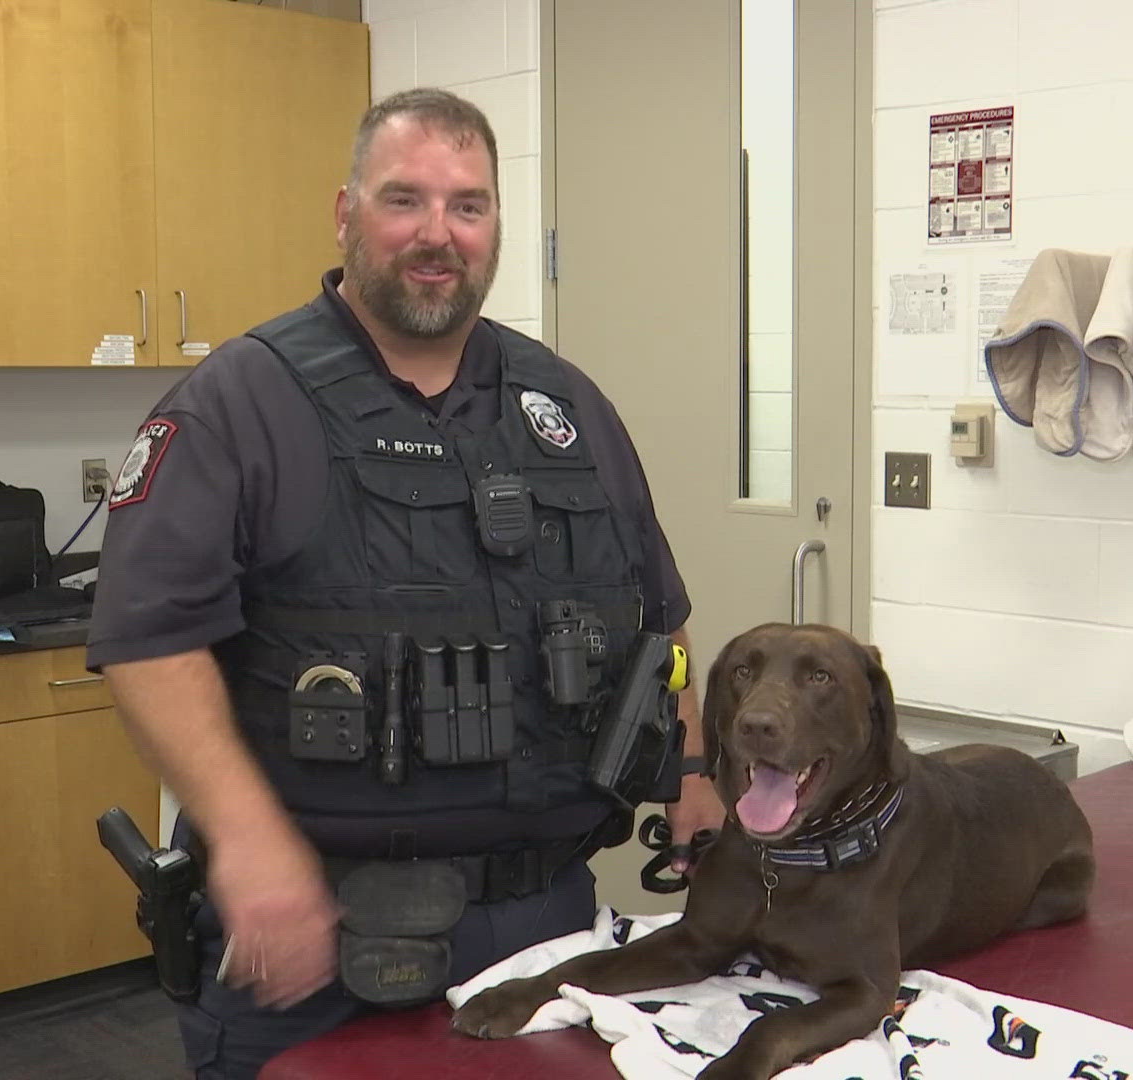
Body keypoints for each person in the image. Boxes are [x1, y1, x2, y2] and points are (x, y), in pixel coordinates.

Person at [87, 87, 724, 1079]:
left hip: (541, 927)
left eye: (468, 205)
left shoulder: (566, 405)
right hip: (313, 934)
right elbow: (147, 639)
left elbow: (664, 625)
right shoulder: (240, 406)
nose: (440, 234)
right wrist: (251, 849)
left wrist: (691, 771)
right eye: (405, 201)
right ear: (346, 215)